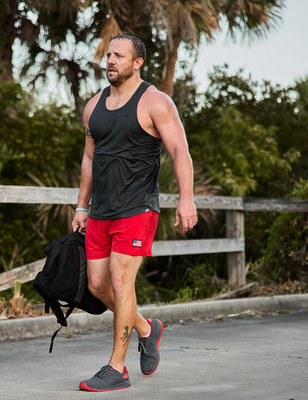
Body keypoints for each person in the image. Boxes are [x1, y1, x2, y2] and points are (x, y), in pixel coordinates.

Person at [71, 34, 198, 392]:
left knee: (119, 281)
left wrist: (186, 198)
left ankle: (117, 369)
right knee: (97, 287)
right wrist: (82, 205)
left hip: (138, 207)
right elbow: (89, 159)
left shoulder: (155, 102)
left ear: (137, 63)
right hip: (101, 211)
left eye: (119, 56)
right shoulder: (93, 106)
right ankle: (147, 328)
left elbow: (180, 151)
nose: (110, 61)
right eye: (108, 55)